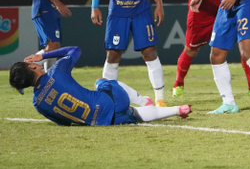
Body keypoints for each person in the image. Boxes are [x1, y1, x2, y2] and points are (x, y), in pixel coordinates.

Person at [9, 46, 191, 126]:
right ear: (32, 66)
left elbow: (64, 122)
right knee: (102, 82)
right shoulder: (57, 70)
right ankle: (145, 101)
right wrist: (44, 55)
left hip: (102, 122)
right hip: (111, 101)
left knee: (134, 116)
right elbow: (74, 50)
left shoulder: (37, 103)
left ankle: (177, 110)